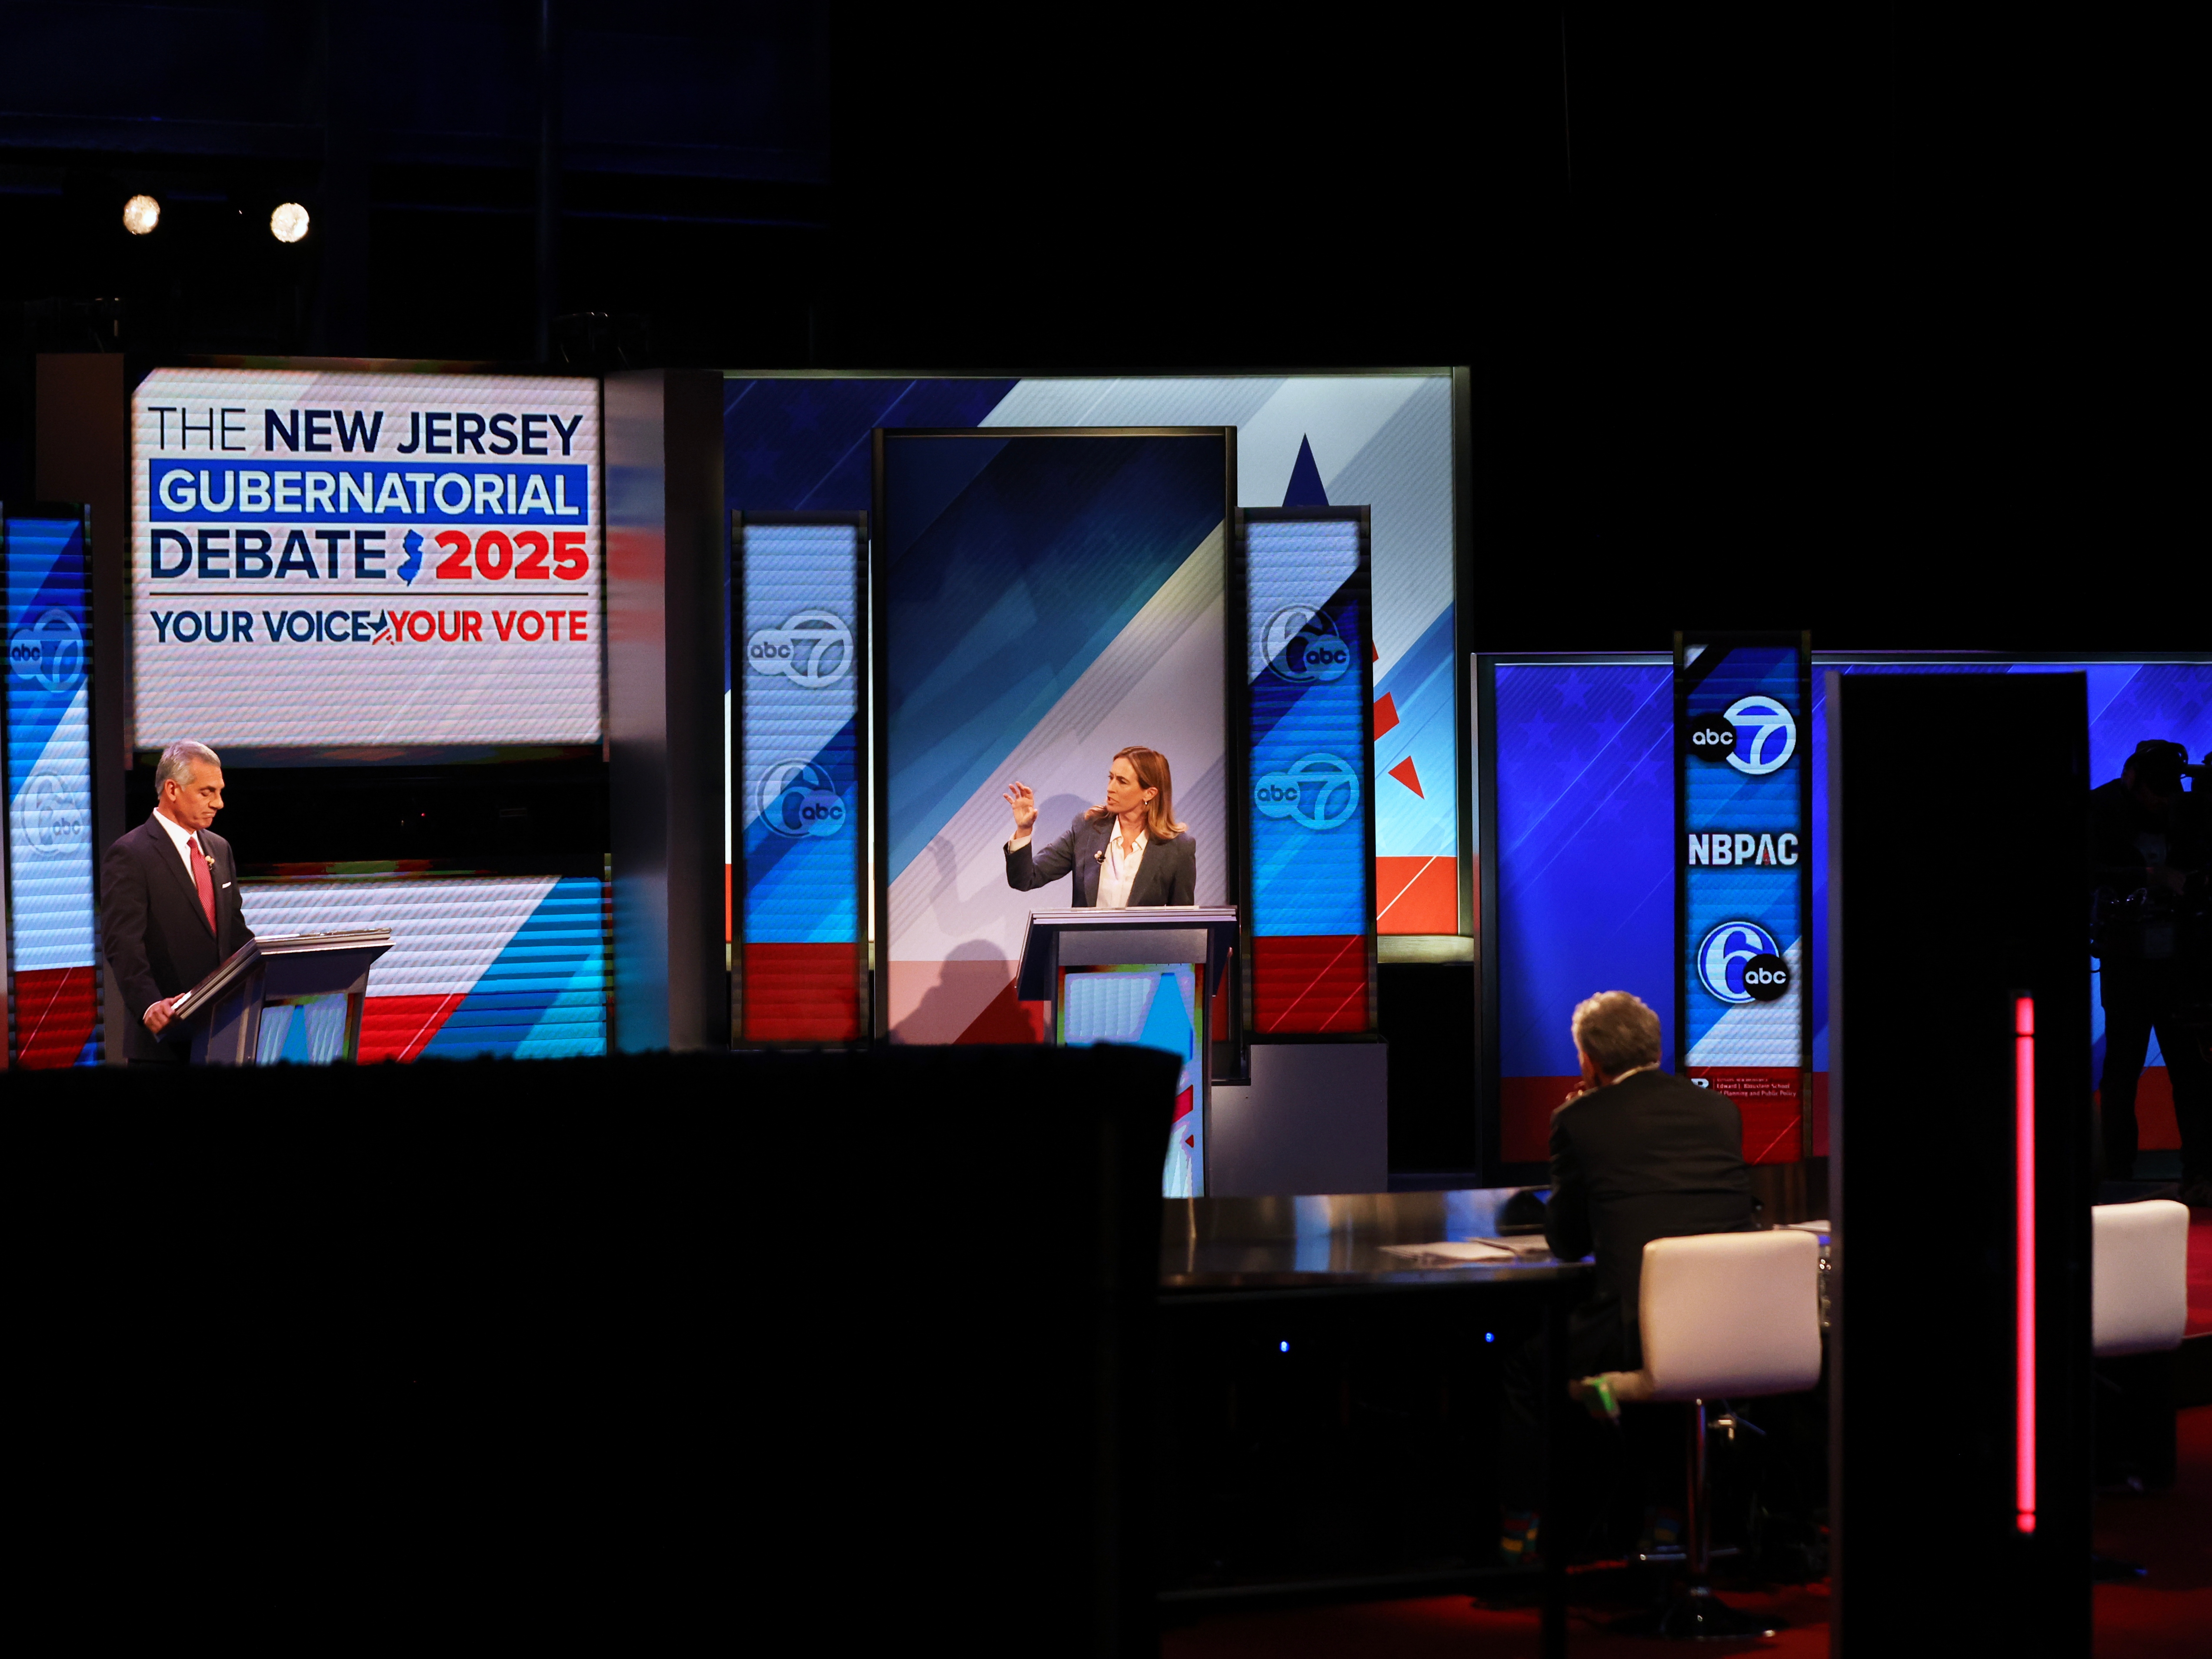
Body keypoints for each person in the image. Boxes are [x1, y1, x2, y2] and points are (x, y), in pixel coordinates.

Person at [1497, 990, 1754, 1562]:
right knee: (1673, 1375)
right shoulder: (1720, 1110)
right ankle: (1668, 1518)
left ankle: (1524, 1532)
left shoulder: (1577, 1120)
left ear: (1589, 1061)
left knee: (1524, 1363)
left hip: (1635, 1333)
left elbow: (1569, 1244)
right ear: (1655, 1049)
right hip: (1728, 1333)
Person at [2090, 739, 2209, 1201]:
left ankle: (2199, 1173)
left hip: (2180, 961)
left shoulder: (2185, 811)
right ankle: (2118, 1175)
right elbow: (2089, 870)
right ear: (2134, 781)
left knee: (2190, 1072)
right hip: (2127, 960)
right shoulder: (2101, 809)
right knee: (2122, 1071)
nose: (2161, 803)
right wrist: (2149, 878)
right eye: (2154, 794)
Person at [100, 740, 256, 1064]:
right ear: (172, 789)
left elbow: (235, 935)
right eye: (207, 792)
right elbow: (123, 945)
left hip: (224, 1036)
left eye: (219, 792)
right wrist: (149, 1005)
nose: (219, 803)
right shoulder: (130, 854)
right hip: (165, 1045)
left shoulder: (220, 848)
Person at [1003, 745, 1196, 907]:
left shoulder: (1178, 848)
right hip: (1085, 943)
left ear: (1149, 793)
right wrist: (1024, 830)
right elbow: (1025, 879)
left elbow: (1183, 923)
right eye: (1111, 778)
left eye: (1122, 782)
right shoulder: (1087, 829)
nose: (1110, 788)